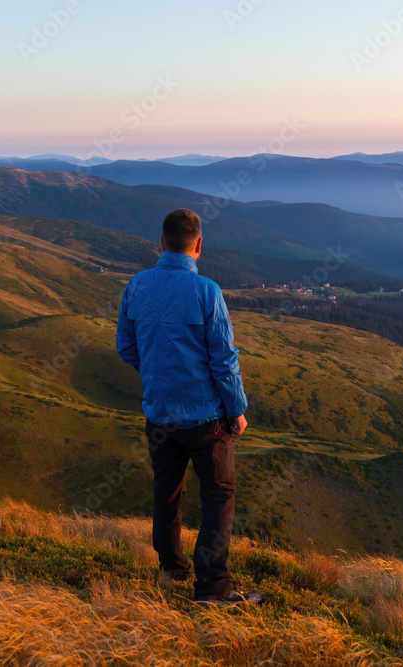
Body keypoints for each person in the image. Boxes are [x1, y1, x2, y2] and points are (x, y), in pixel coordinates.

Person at [116, 208, 262, 608]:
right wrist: (237, 410)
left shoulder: (137, 285)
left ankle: (172, 568)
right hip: (205, 419)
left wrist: (158, 373)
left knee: (167, 490)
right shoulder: (207, 292)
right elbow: (224, 359)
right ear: (198, 246)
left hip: (159, 415)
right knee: (218, 494)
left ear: (161, 243)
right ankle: (212, 588)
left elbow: (125, 346)